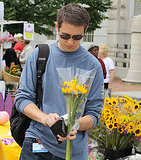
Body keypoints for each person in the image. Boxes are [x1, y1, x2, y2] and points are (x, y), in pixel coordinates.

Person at [15, 3, 103, 160]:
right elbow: (22, 98)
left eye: (77, 37)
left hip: (73, 151)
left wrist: (75, 124)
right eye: (65, 36)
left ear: (86, 30)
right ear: (57, 27)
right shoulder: (39, 55)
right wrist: (45, 118)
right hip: (37, 141)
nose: (70, 42)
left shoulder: (93, 65)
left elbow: (94, 113)